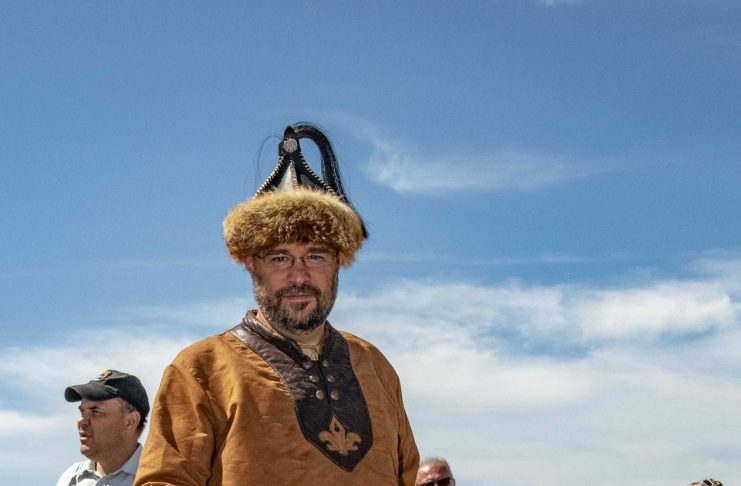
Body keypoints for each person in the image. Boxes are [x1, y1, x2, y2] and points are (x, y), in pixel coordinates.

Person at [135, 123, 419, 485]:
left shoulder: (375, 366)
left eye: (315, 256)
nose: (299, 276)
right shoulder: (199, 369)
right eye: (280, 258)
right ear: (251, 264)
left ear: (338, 262)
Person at [57, 369, 150, 486]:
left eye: (95, 411)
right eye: (82, 412)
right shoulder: (71, 477)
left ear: (130, 422)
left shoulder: (158, 478)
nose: (81, 421)